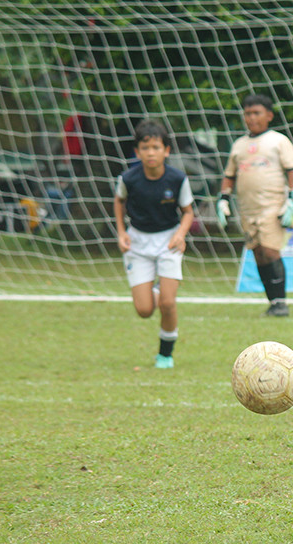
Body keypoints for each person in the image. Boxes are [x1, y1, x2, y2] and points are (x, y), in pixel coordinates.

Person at [113, 120, 195, 369]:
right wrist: (121, 232)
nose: (151, 153)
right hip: (137, 243)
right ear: (137, 152)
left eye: (156, 147)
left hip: (168, 241)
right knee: (145, 309)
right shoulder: (128, 178)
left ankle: (165, 355)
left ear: (166, 150)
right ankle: (156, 291)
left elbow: (188, 212)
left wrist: (180, 234)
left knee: (168, 304)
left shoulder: (177, 179)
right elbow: (119, 201)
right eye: (145, 148)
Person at [218, 93, 293, 317]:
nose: (251, 118)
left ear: (269, 116)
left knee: (270, 250)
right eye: (248, 114)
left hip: (272, 205)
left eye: (257, 113)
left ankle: (281, 302)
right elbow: (229, 175)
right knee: (257, 252)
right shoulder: (239, 145)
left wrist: (292, 201)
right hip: (247, 208)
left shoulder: (278, 140)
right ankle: (273, 302)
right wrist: (223, 199)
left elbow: (292, 170)